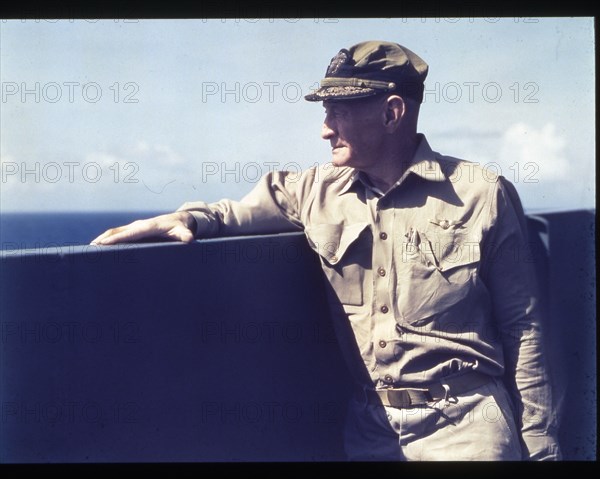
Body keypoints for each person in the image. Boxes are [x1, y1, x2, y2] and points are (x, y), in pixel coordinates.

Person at [91, 40, 561, 461]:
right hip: (371, 432)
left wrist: (539, 444)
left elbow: (525, 324)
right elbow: (232, 213)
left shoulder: (481, 192)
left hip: (467, 432)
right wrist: (187, 218)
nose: (325, 129)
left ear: (392, 113)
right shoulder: (314, 191)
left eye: (338, 111)